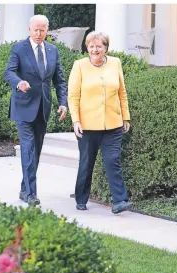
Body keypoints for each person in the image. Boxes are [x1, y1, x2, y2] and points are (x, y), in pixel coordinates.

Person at [4, 14, 68, 205]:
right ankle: (31, 194)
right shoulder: (19, 48)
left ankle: (25, 189)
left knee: (36, 151)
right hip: (23, 106)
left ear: (47, 30)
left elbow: (59, 80)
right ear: (29, 30)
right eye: (36, 30)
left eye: (42, 30)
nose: (39, 33)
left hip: (43, 107)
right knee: (28, 148)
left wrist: (63, 102)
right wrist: (19, 83)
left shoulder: (52, 50)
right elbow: (9, 72)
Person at [67, 31, 133, 214]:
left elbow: (122, 92)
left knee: (113, 161)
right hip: (87, 126)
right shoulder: (79, 65)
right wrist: (76, 121)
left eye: (99, 46)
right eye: (91, 46)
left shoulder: (115, 63)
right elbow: (73, 96)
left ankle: (119, 201)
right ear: (87, 48)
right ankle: (81, 198)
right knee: (86, 163)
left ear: (105, 48)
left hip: (113, 123)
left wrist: (125, 117)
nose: (95, 49)